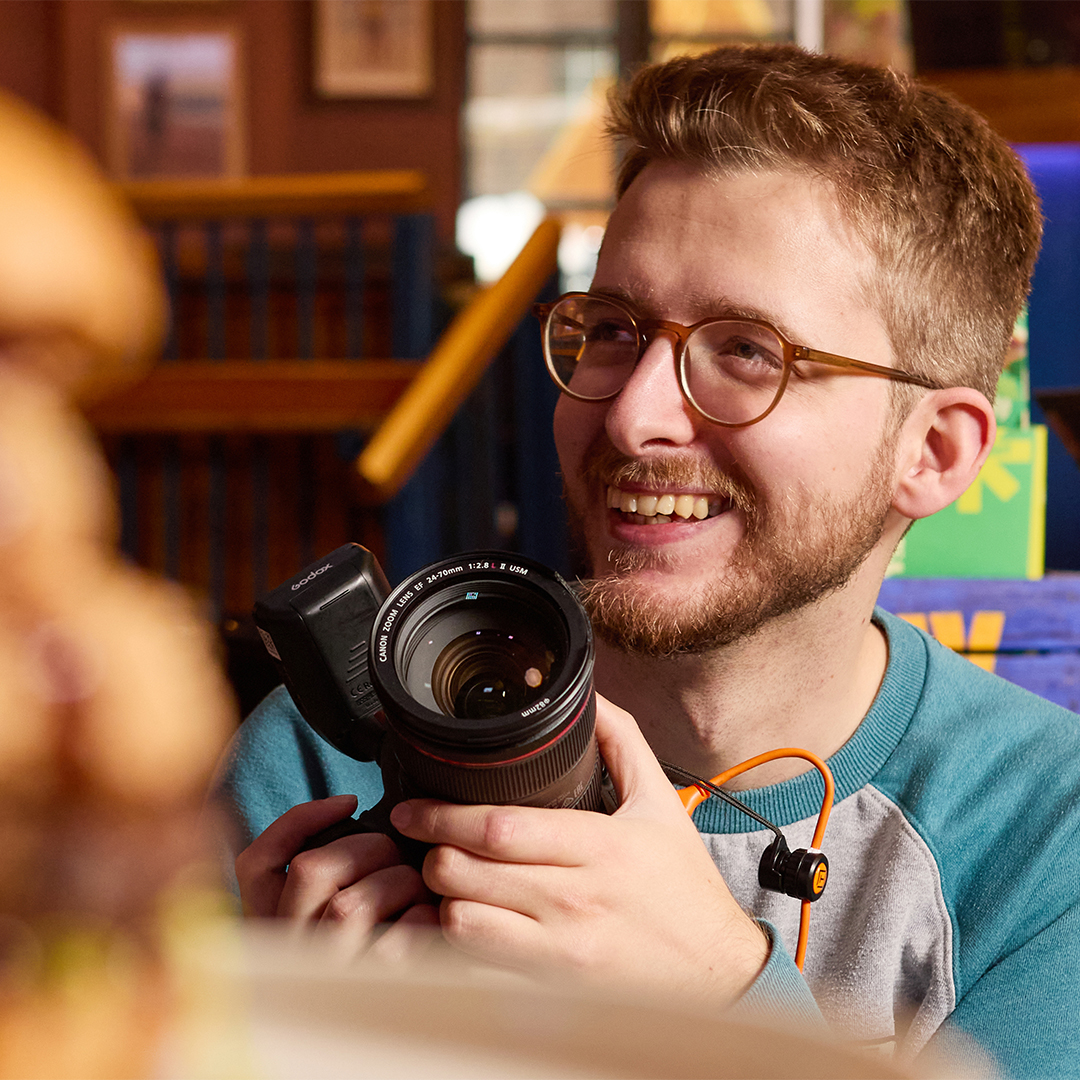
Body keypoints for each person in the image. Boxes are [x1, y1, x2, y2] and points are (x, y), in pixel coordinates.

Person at [213, 44, 1080, 1077]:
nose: (630, 413)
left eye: (749, 350)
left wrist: (721, 993)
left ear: (931, 454)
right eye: (613, 330)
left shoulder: (1044, 836)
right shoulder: (329, 759)